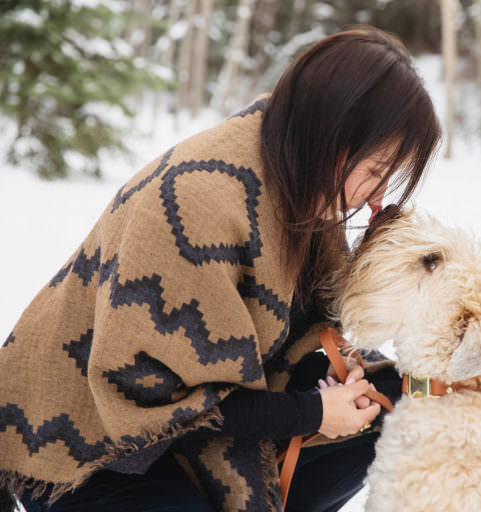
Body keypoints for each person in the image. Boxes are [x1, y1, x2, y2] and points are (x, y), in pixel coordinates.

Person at [0, 26, 440, 512]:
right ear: (330, 134)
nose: (375, 198)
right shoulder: (194, 206)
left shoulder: (299, 173)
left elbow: (314, 317)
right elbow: (156, 402)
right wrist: (313, 412)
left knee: (401, 401)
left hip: (202, 409)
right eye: (374, 173)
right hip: (92, 440)